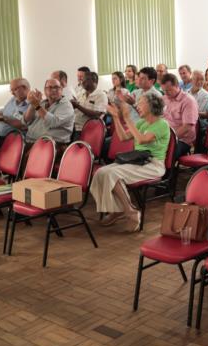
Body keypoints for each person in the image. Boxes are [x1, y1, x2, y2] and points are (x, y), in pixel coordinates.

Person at [91, 94, 169, 231]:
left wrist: (127, 118)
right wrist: (116, 117)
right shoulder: (141, 122)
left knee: (111, 174)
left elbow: (142, 140)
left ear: (151, 106)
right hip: (137, 161)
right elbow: (123, 137)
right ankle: (117, 209)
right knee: (101, 172)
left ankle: (130, 212)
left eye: (141, 103)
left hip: (153, 165)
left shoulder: (162, 124)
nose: (137, 106)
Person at [23, 78, 74, 151]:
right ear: (45, 90)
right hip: (31, 141)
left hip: (52, 145)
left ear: (61, 89)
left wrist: (37, 106)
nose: (53, 90)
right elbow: (26, 121)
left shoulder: (66, 105)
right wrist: (32, 104)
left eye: (56, 87)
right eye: (50, 87)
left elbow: (53, 122)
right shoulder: (42, 103)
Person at [160, 74, 198, 158]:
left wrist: (169, 139)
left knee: (161, 153)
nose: (166, 93)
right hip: (164, 136)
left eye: (169, 90)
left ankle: (168, 171)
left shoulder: (188, 101)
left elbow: (187, 127)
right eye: (164, 90)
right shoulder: (164, 98)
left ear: (177, 86)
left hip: (181, 140)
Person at [71, 71, 108, 135]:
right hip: (75, 127)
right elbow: (76, 108)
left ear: (94, 81)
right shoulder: (81, 94)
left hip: (90, 130)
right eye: (82, 80)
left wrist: (78, 106)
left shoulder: (101, 95)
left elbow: (97, 115)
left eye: (85, 80)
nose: (82, 82)